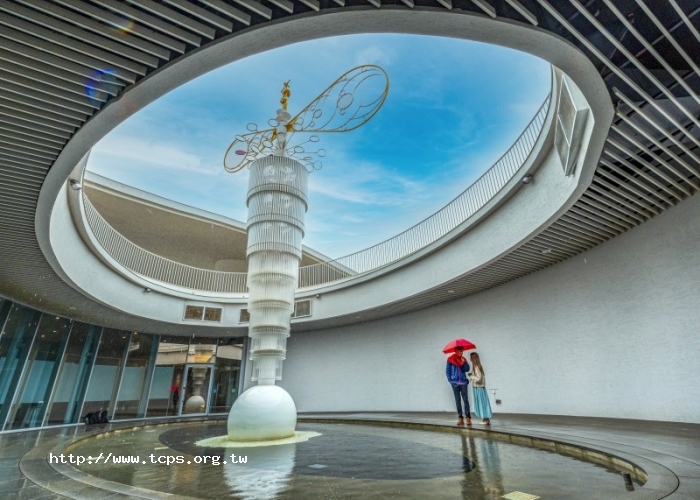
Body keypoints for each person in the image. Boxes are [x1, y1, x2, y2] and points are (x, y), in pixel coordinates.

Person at [446, 346, 471, 425]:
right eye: (460, 351)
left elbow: (467, 369)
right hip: (454, 383)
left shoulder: (463, 359)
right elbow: (447, 371)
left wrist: (464, 363)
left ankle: (468, 418)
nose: (461, 352)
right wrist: (450, 380)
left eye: (462, 351)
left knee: (466, 400)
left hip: (463, 382)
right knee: (458, 401)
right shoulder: (450, 359)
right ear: (456, 351)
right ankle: (460, 418)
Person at [468, 352, 492, 425]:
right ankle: (485, 419)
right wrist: (472, 374)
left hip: (479, 388)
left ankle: (486, 419)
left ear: (473, 358)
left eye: (471, 357)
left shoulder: (476, 367)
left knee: (482, 403)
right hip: (479, 388)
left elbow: (479, 379)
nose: (470, 359)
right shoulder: (478, 367)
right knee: (483, 402)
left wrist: (472, 377)